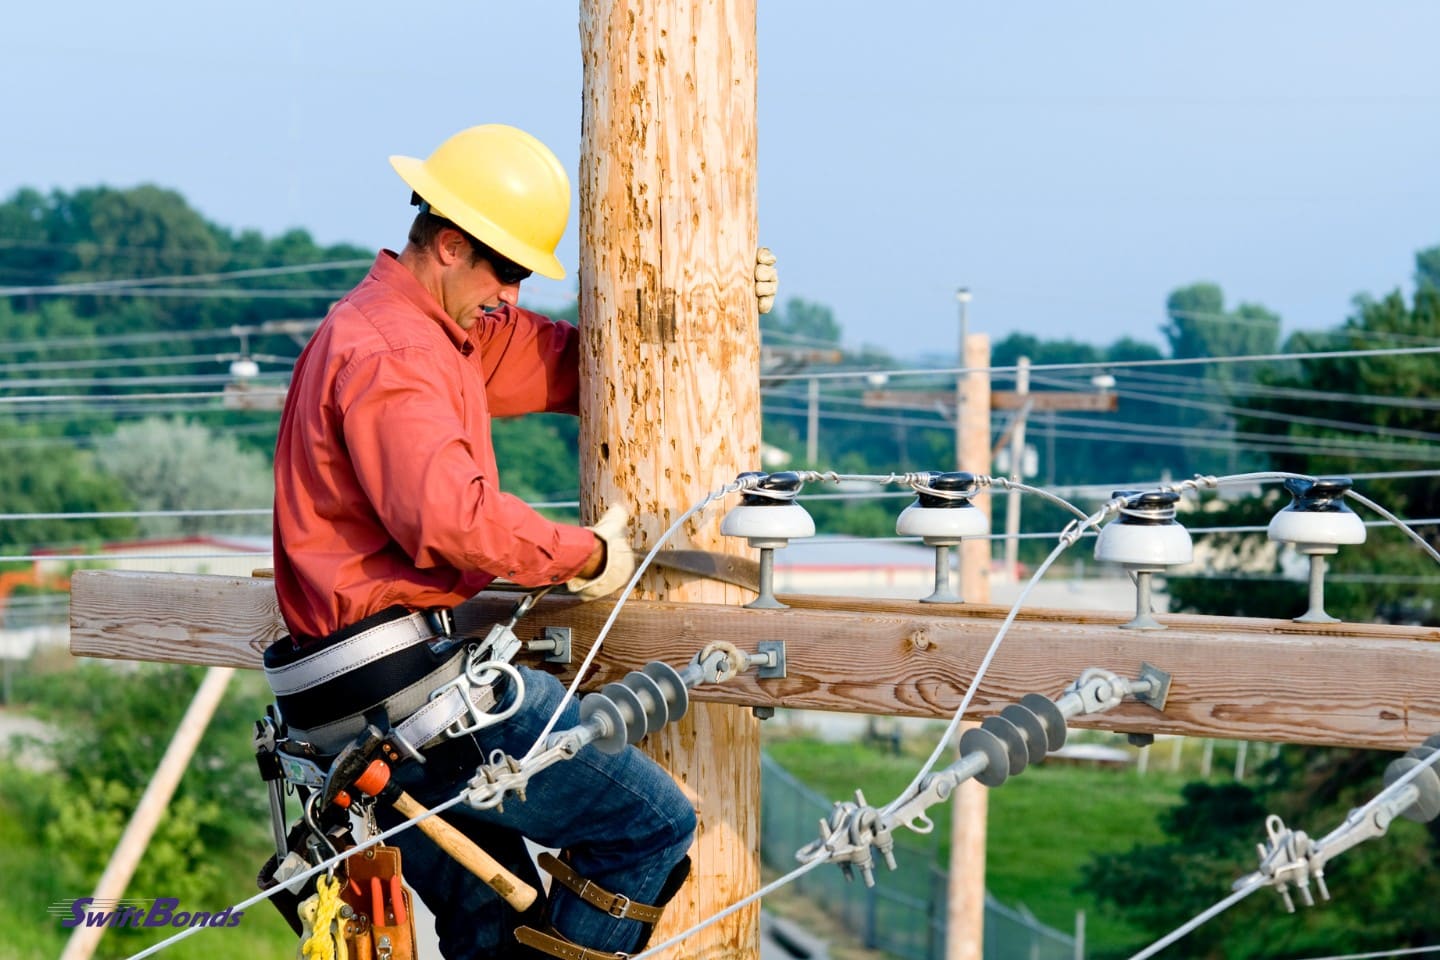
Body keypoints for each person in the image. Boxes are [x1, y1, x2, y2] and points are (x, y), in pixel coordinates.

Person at [266, 123, 773, 960]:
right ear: (452, 245)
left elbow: (603, 366)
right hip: (405, 694)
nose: (510, 293)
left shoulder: (432, 333)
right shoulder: (396, 352)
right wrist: (587, 556)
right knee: (650, 826)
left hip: (353, 707)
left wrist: (721, 303)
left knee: (490, 927)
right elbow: (451, 519)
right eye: (504, 270)